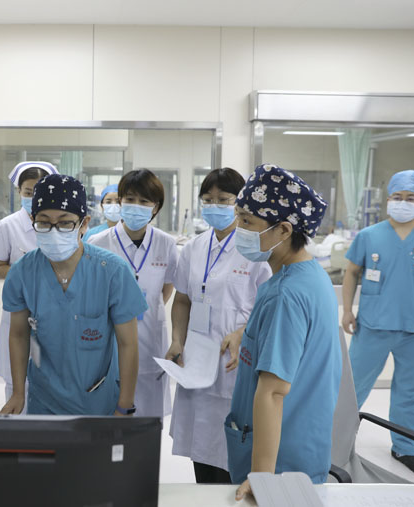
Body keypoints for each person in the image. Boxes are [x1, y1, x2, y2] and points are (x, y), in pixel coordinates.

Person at [227, 164, 341, 500]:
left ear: (283, 230)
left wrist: (262, 478)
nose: (237, 228)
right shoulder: (310, 276)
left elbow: (273, 392)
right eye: (238, 217)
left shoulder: (286, 295)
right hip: (301, 444)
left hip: (279, 464)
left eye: (247, 221)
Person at [0, 173, 147, 416]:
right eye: (44, 222)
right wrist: (18, 393)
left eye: (65, 223)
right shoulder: (23, 272)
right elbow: (18, 334)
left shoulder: (112, 272)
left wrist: (125, 404)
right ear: (33, 220)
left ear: (84, 223)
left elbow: (128, 343)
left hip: (98, 401)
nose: (53, 231)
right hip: (44, 399)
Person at [167, 168, 271, 484]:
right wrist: (177, 340)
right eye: (208, 199)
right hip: (197, 358)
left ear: (240, 202)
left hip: (236, 361)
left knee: (232, 445)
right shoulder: (194, 247)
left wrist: (241, 333)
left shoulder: (257, 249)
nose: (215, 205)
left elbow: (269, 307)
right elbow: (182, 299)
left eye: (223, 199)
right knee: (200, 444)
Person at [342, 169, 414, 476]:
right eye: (397, 196)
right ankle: (335, 441)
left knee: (411, 392)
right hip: (373, 325)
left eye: (411, 198)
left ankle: (406, 449)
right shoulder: (369, 236)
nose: (403, 202)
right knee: (351, 388)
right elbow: (351, 272)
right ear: (388, 199)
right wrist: (347, 311)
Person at [88, 170, 178, 418]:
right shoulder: (98, 243)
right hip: (109, 339)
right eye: (130, 199)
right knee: (109, 416)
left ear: (155, 207)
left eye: (144, 201)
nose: (136, 206)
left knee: (148, 419)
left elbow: (167, 287)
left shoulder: (166, 244)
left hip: (151, 338)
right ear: (120, 201)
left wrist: (144, 307)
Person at [0, 161, 58, 404]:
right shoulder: (9, 225)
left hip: (54, 310)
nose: (34, 197)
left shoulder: (60, 223)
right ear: (19, 192)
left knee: (52, 379)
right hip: (19, 309)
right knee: (16, 379)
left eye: (40, 191)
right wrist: (26, 273)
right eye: (28, 192)